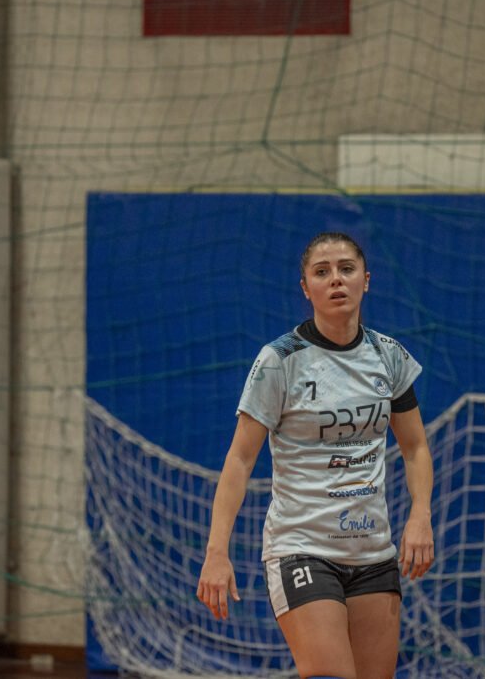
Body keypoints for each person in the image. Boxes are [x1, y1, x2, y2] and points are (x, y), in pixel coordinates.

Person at [197, 232, 435, 679]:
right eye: (322, 272)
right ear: (306, 288)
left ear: (367, 280)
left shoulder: (389, 356)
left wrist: (420, 515)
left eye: (346, 269)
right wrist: (216, 552)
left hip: (373, 553)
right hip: (302, 549)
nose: (336, 280)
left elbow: (416, 446)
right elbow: (240, 460)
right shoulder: (280, 360)